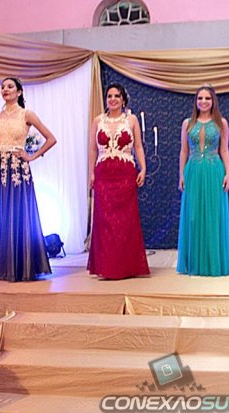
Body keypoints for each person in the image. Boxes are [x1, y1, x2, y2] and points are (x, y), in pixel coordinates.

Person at [0, 77, 57, 281]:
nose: (5, 90)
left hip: (18, 170)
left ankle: (23, 267)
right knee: (3, 216)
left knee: (20, 214)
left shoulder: (26, 114)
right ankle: (5, 267)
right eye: (2, 87)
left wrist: (32, 156)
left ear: (19, 92)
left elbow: (51, 139)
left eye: (10, 86)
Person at [87, 83, 150, 279]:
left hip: (125, 173)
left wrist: (143, 168)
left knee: (125, 221)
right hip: (104, 173)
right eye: (109, 96)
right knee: (104, 220)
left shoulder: (131, 120)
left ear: (123, 99)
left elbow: (138, 146)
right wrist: (91, 173)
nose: (112, 99)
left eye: (116, 96)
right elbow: (92, 149)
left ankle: (126, 266)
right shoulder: (98, 121)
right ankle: (107, 266)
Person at [177, 84, 229, 276]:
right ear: (196, 101)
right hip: (193, 171)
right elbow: (183, 151)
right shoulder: (187, 123)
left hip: (214, 169)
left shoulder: (221, 123)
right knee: (193, 216)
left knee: (213, 215)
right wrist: (181, 174)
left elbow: (224, 149)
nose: (203, 101)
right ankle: (194, 263)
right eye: (200, 98)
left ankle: (213, 263)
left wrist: (228, 173)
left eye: (207, 98)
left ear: (213, 101)